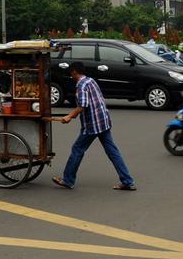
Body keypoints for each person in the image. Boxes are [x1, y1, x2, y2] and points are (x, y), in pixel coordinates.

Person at [53, 62, 135, 191]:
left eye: (71, 73)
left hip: (93, 124)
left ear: (74, 72)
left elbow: (83, 105)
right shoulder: (90, 80)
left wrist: (69, 116)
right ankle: (127, 180)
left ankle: (68, 180)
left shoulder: (80, 84)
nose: (71, 76)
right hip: (103, 119)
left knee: (77, 149)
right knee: (112, 151)